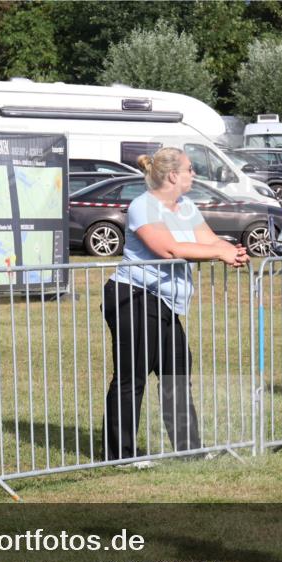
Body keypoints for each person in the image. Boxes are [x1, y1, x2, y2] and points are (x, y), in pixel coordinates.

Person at [103, 147, 249, 464]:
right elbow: (166, 250)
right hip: (135, 296)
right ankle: (120, 456)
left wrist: (231, 250)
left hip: (165, 302)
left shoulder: (185, 206)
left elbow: (208, 238)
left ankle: (189, 451)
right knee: (133, 377)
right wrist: (218, 253)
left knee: (177, 373)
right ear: (173, 175)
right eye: (189, 169)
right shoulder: (144, 206)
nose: (193, 174)